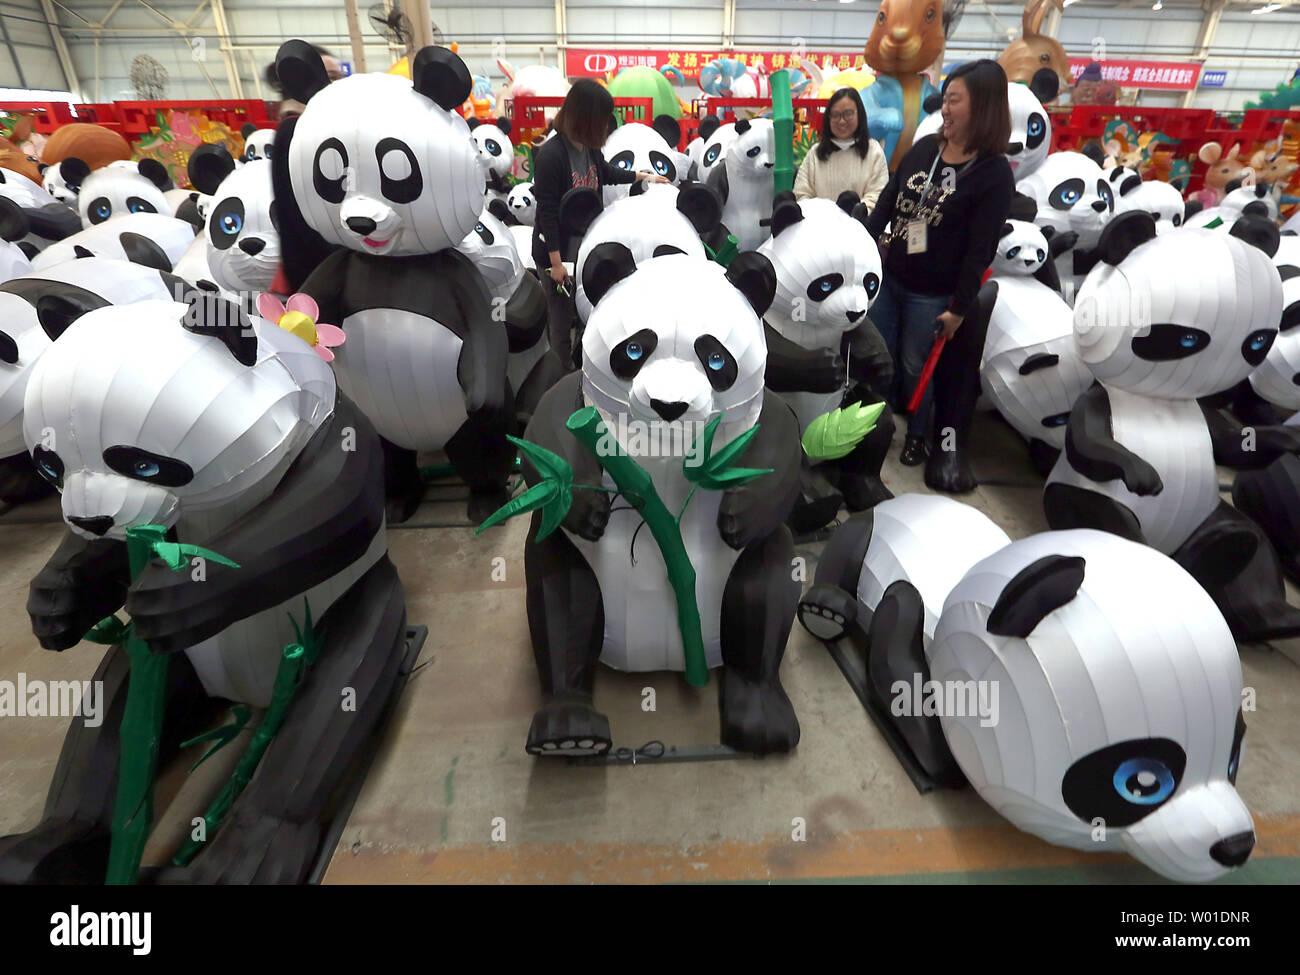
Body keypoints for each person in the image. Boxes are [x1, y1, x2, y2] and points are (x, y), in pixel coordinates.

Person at [865, 59, 1014, 492]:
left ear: (982, 106)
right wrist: (864, 243)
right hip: (893, 276)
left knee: (916, 367)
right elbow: (894, 194)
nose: (944, 108)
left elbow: (979, 249)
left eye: (954, 100)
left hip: (934, 293)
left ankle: (918, 436)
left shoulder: (992, 174)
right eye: (944, 99)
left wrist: (959, 307)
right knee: (882, 356)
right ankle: (875, 428)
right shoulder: (927, 148)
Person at [532, 79, 668, 367]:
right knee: (560, 320)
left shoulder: (588, 149)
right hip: (556, 252)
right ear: (587, 118)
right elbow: (546, 214)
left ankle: (585, 365)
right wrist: (556, 264)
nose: (607, 127)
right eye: (604, 120)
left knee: (585, 308)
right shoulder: (551, 156)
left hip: (582, 245)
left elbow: (605, 172)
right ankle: (561, 376)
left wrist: (645, 177)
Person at [793, 87, 888, 210]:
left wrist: (854, 215)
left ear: (859, 114)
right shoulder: (815, 153)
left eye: (848, 114)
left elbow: (877, 195)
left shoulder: (873, 151)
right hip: (820, 225)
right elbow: (801, 194)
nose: (842, 121)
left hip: (861, 225)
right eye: (836, 115)